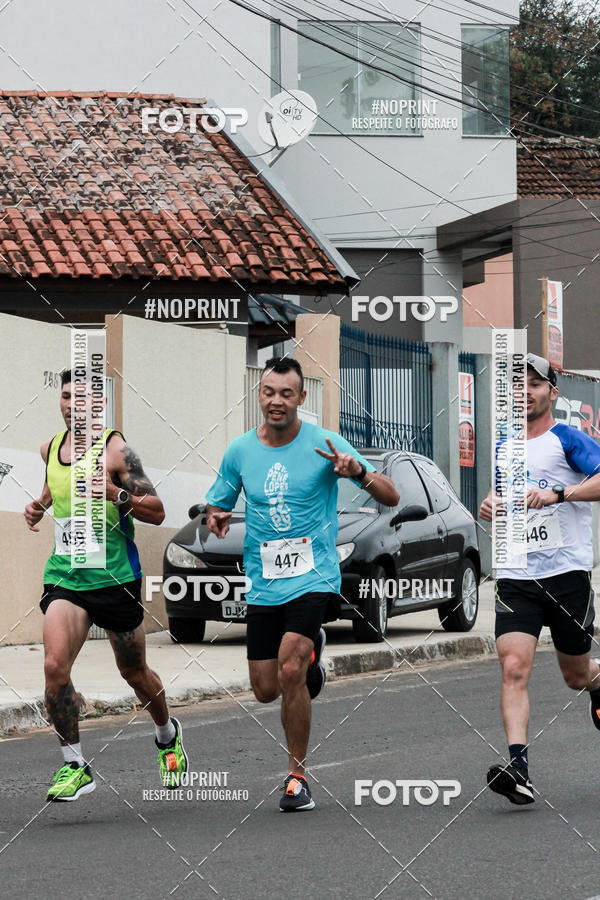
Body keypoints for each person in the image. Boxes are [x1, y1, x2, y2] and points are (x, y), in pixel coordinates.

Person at [205, 357, 399, 811]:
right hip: (264, 581)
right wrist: (213, 515)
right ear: (260, 395)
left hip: (314, 576)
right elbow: (217, 502)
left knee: (289, 668)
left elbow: (390, 495)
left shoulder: (324, 443)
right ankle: (315, 657)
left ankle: (296, 778)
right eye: (269, 392)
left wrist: (358, 473)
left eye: (286, 393)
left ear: (301, 398)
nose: (276, 401)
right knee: (265, 688)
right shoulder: (240, 450)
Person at [24, 370, 188, 802]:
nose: (70, 405)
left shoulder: (117, 450)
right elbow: (55, 487)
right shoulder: (50, 449)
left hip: (115, 580)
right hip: (67, 577)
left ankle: (167, 735)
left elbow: (155, 510)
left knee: (134, 672)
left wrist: (115, 493)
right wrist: (39, 506)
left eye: (80, 399)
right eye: (64, 396)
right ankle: (75, 765)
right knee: (55, 668)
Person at [481, 353, 600, 805]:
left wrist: (560, 493)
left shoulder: (567, 438)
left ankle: (596, 681)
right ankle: (518, 767)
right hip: (517, 575)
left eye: (535, 384)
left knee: (574, 675)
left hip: (567, 573)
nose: (525, 391)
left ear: (552, 391)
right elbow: (507, 495)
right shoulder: (505, 445)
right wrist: (491, 504)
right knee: (513, 669)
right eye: (518, 385)